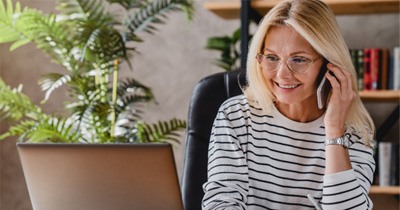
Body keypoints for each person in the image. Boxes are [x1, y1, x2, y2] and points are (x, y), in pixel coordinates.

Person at [202, 0, 376, 209]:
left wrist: (334, 132)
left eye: (299, 59)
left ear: (329, 65)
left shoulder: (355, 132)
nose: (282, 74)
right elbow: (220, 205)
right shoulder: (236, 116)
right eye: (272, 57)